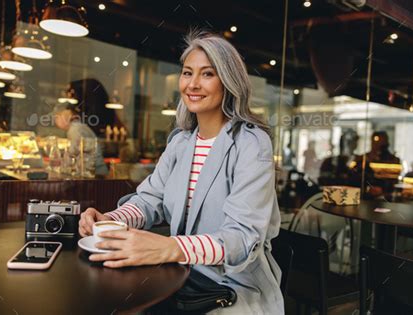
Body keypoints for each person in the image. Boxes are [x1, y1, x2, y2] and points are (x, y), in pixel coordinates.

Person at [78, 32, 283, 314]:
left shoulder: (252, 143)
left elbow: (241, 239)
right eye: (187, 73)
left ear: (228, 81)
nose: (193, 84)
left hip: (231, 288)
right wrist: (111, 219)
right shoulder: (181, 141)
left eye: (207, 74)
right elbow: (150, 200)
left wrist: (169, 248)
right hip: (180, 277)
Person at [52, 103, 108, 176]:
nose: (56, 121)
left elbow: (73, 153)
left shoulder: (74, 129)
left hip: (95, 174)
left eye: (57, 117)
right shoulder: (77, 127)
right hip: (93, 172)